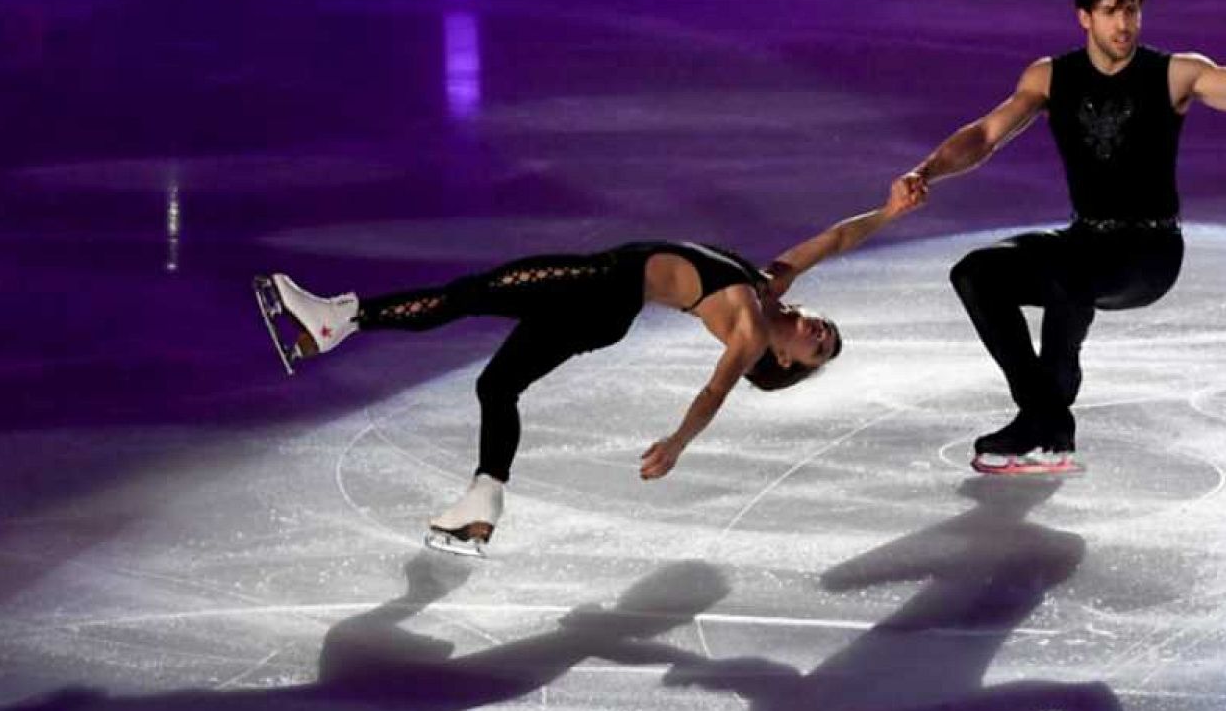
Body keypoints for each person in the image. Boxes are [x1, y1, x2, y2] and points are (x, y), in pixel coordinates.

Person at [253, 184, 921, 555]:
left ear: (784, 360)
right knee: (497, 384)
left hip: (601, 288)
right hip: (603, 310)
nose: (822, 335)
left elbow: (714, 392)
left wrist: (677, 443)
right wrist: (890, 211)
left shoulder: (748, 332)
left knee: (473, 293)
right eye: (827, 332)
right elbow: (837, 238)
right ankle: (484, 497)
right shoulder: (769, 283)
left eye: (820, 350)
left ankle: (339, 318)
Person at [895, 0, 1226, 474]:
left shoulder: (1174, 74)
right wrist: (926, 171)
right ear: (1085, 18)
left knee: (1068, 275)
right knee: (977, 272)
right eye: (1110, 12)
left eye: (1132, 11)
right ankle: (1044, 414)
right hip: (1084, 240)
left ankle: (1044, 426)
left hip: (1148, 254)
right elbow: (986, 135)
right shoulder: (1050, 77)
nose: (1123, 24)